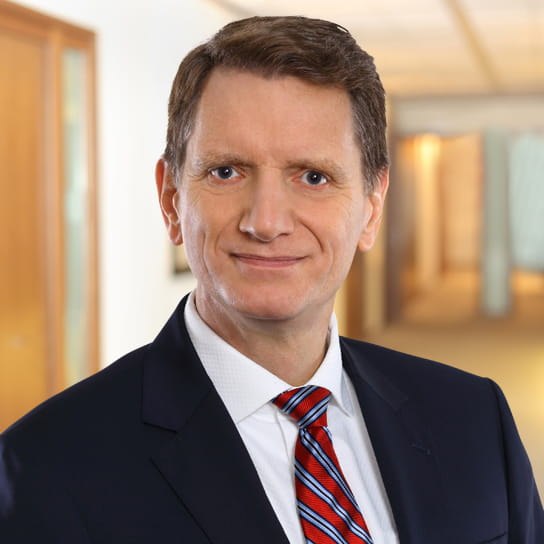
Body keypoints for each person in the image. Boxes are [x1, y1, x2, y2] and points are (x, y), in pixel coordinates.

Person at [0, 15, 542, 544]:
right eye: (226, 171)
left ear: (372, 208)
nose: (266, 222)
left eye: (313, 176)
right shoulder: (45, 467)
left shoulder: (473, 417)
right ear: (171, 200)